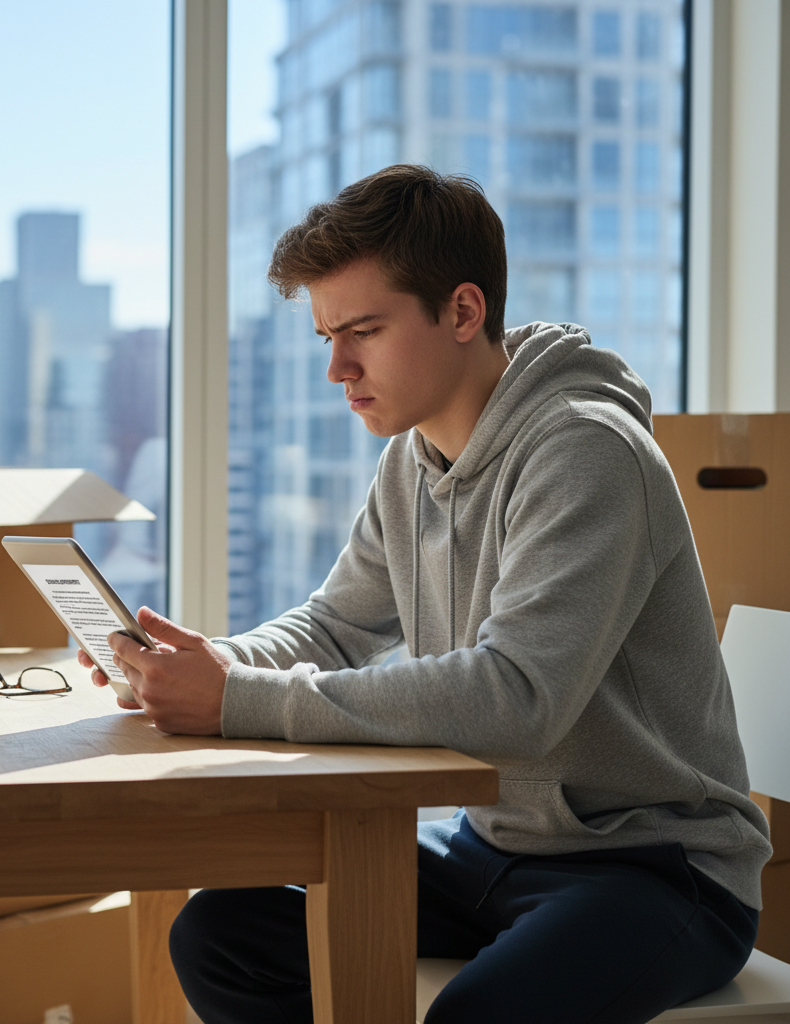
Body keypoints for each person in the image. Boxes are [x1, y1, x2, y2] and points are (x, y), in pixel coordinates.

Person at [79, 165, 772, 1024]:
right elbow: (338, 625)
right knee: (220, 933)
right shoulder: (412, 459)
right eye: (328, 336)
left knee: (473, 1017)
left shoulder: (587, 452)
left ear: (463, 311)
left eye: (362, 330)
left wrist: (238, 699)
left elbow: (517, 697)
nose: (337, 368)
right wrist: (206, 664)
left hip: (654, 866)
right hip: (492, 846)